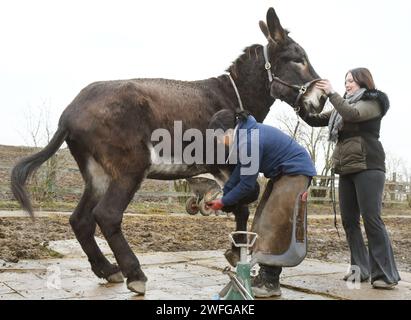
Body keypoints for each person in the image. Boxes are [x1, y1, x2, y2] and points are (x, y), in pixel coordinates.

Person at [300, 67, 400, 289]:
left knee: (371, 219)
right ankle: (360, 270)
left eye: (352, 81)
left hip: (369, 166)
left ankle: (385, 275)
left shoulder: (373, 101)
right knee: (349, 222)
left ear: (364, 82)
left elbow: (353, 115)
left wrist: (333, 94)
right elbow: (314, 120)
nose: (347, 84)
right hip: (346, 169)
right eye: (345, 81)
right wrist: (300, 104)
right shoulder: (340, 108)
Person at [206, 109, 317, 297]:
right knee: (261, 220)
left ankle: (270, 282)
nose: (218, 142)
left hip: (294, 173)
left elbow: (247, 185)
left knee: (273, 224)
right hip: (282, 175)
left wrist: (223, 202)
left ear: (228, 131)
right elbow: (238, 175)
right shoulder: (245, 136)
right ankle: (267, 275)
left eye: (217, 138)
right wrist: (223, 196)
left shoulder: (249, 141)